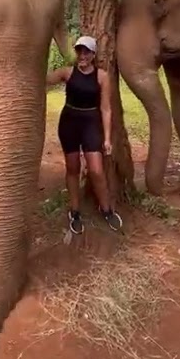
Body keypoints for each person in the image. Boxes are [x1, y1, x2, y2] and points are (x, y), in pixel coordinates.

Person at [46, 35, 121, 233]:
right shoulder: (67, 73)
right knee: (72, 168)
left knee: (96, 169)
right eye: (79, 51)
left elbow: (106, 108)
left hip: (91, 123)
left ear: (93, 54)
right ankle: (75, 211)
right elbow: (44, 80)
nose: (82, 55)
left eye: (86, 51)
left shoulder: (102, 77)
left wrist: (106, 138)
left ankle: (106, 209)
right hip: (69, 123)